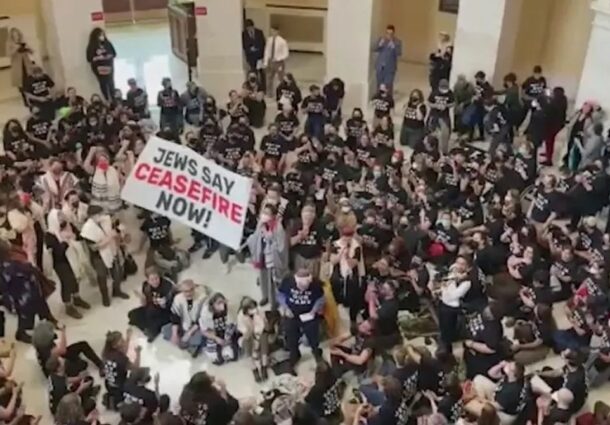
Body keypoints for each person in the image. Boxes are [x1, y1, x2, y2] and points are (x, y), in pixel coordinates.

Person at [278, 268, 325, 368]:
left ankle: (316, 353)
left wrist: (314, 310)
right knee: (290, 335)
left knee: (313, 336)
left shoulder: (316, 284)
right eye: (300, 286)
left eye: (305, 287)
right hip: (292, 313)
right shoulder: (288, 281)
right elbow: (280, 295)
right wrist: (286, 308)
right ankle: (294, 354)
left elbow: (321, 298)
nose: (302, 289)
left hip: (309, 314)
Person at [247, 203, 289, 308]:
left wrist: (269, 237)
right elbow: (256, 237)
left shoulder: (278, 228)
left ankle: (274, 301)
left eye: (267, 213)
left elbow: (281, 247)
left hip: (273, 258)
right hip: (262, 255)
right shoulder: (261, 224)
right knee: (263, 277)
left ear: (273, 216)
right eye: (263, 212)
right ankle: (265, 296)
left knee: (272, 281)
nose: (264, 215)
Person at [127, 267, 174, 342]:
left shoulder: (167, 286)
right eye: (152, 280)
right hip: (150, 308)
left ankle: (151, 329)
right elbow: (145, 304)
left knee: (153, 323)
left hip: (164, 312)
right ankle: (149, 328)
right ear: (148, 280)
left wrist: (163, 304)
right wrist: (141, 298)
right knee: (131, 314)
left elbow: (170, 307)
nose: (155, 281)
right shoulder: (146, 286)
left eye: (156, 278)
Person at [163, 279, 206, 357]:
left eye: (191, 290)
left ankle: (189, 344)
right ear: (182, 291)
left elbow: (202, 319)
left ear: (194, 288)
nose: (189, 293)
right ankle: (188, 345)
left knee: (199, 338)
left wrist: (188, 334)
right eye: (186, 291)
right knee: (165, 330)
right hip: (183, 324)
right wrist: (174, 334)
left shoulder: (202, 298)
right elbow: (175, 316)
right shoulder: (178, 298)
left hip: (196, 327)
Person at [102, 329, 141, 410]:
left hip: (108, 383)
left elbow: (122, 351)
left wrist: (128, 338)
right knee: (138, 373)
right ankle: (116, 402)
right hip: (120, 386)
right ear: (114, 345)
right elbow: (136, 367)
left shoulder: (105, 353)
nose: (123, 342)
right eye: (121, 340)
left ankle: (111, 398)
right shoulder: (121, 359)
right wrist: (138, 353)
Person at [199, 293, 239, 365]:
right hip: (214, 332)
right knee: (214, 356)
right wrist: (216, 338)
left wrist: (227, 337)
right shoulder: (206, 313)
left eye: (222, 302)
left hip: (227, 330)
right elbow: (204, 331)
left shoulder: (229, 308)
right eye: (218, 303)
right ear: (213, 304)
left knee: (231, 354)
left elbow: (233, 323)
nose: (222, 305)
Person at [237, 296, 269, 382]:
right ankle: (254, 370)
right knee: (247, 346)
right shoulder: (241, 316)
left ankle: (264, 367)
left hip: (259, 332)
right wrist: (250, 331)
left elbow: (262, 325)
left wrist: (257, 333)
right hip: (248, 335)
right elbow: (244, 331)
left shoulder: (259, 311)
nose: (254, 310)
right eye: (251, 308)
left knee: (264, 341)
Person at [86, 28, 117, 101]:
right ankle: (107, 99)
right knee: (103, 84)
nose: (102, 36)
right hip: (99, 68)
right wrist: (98, 58)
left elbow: (114, 54)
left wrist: (108, 56)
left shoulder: (107, 43)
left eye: (103, 35)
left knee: (111, 83)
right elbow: (89, 58)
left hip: (109, 67)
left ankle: (113, 99)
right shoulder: (92, 45)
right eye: (100, 35)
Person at [8, 27, 35, 105]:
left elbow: (32, 52)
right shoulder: (9, 44)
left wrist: (28, 48)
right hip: (17, 67)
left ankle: (32, 99)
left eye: (17, 35)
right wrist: (16, 47)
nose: (17, 37)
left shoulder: (23, 42)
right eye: (15, 35)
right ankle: (26, 100)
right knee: (21, 84)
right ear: (12, 36)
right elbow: (9, 54)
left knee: (30, 82)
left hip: (27, 66)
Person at [373, 25, 402, 93]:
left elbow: (399, 53)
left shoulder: (397, 42)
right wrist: (380, 44)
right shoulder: (381, 39)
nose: (389, 35)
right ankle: (378, 98)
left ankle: (388, 99)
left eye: (391, 34)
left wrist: (394, 47)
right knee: (379, 84)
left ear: (393, 33)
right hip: (380, 66)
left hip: (390, 68)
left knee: (388, 85)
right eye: (387, 33)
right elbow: (374, 49)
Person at [264, 25, 290, 97]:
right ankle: (269, 93)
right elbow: (267, 51)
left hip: (279, 62)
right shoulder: (269, 40)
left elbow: (286, 54)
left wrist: (278, 58)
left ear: (277, 31)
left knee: (281, 78)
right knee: (269, 78)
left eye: (274, 31)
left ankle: (282, 93)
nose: (272, 32)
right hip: (270, 61)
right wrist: (266, 62)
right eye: (271, 31)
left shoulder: (282, 41)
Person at [242, 19, 266, 91]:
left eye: (251, 27)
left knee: (262, 73)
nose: (249, 29)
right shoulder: (244, 34)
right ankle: (253, 88)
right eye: (248, 28)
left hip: (259, 57)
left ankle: (263, 88)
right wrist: (250, 49)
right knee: (253, 72)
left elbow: (263, 43)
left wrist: (257, 49)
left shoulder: (259, 32)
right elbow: (244, 45)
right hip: (251, 57)